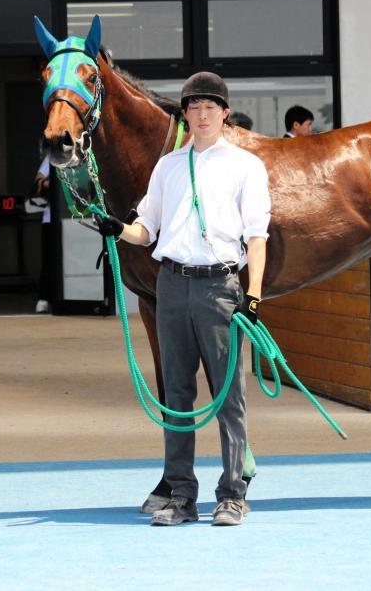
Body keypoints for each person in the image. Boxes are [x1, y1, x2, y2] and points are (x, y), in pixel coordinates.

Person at [96, 72, 270, 527]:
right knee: (175, 395)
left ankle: (232, 493)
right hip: (171, 284)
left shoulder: (244, 165)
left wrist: (252, 295)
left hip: (220, 287)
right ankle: (181, 494)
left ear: (225, 114)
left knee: (228, 394)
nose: (203, 114)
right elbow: (146, 229)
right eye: (194, 107)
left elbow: (257, 236)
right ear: (185, 114)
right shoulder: (168, 166)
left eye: (211, 107)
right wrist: (119, 229)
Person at [31, 155, 54, 314]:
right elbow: (39, 179)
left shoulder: (84, 153)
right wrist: (49, 183)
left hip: (80, 217)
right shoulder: (53, 156)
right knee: (49, 260)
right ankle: (44, 298)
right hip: (51, 218)